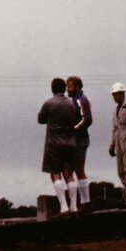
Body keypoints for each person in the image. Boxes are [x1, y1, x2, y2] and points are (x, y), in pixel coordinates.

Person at [37, 77, 78, 214]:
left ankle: (64, 207)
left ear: (52, 89)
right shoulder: (72, 104)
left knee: (55, 173)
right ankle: (74, 206)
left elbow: (40, 119)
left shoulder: (49, 103)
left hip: (53, 144)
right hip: (71, 143)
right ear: (64, 88)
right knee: (69, 174)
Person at [66, 74, 93, 211]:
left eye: (69, 86)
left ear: (76, 87)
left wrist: (73, 129)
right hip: (77, 138)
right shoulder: (74, 100)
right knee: (77, 169)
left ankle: (85, 202)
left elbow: (87, 119)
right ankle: (83, 202)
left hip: (80, 138)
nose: (67, 89)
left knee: (78, 169)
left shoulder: (81, 99)